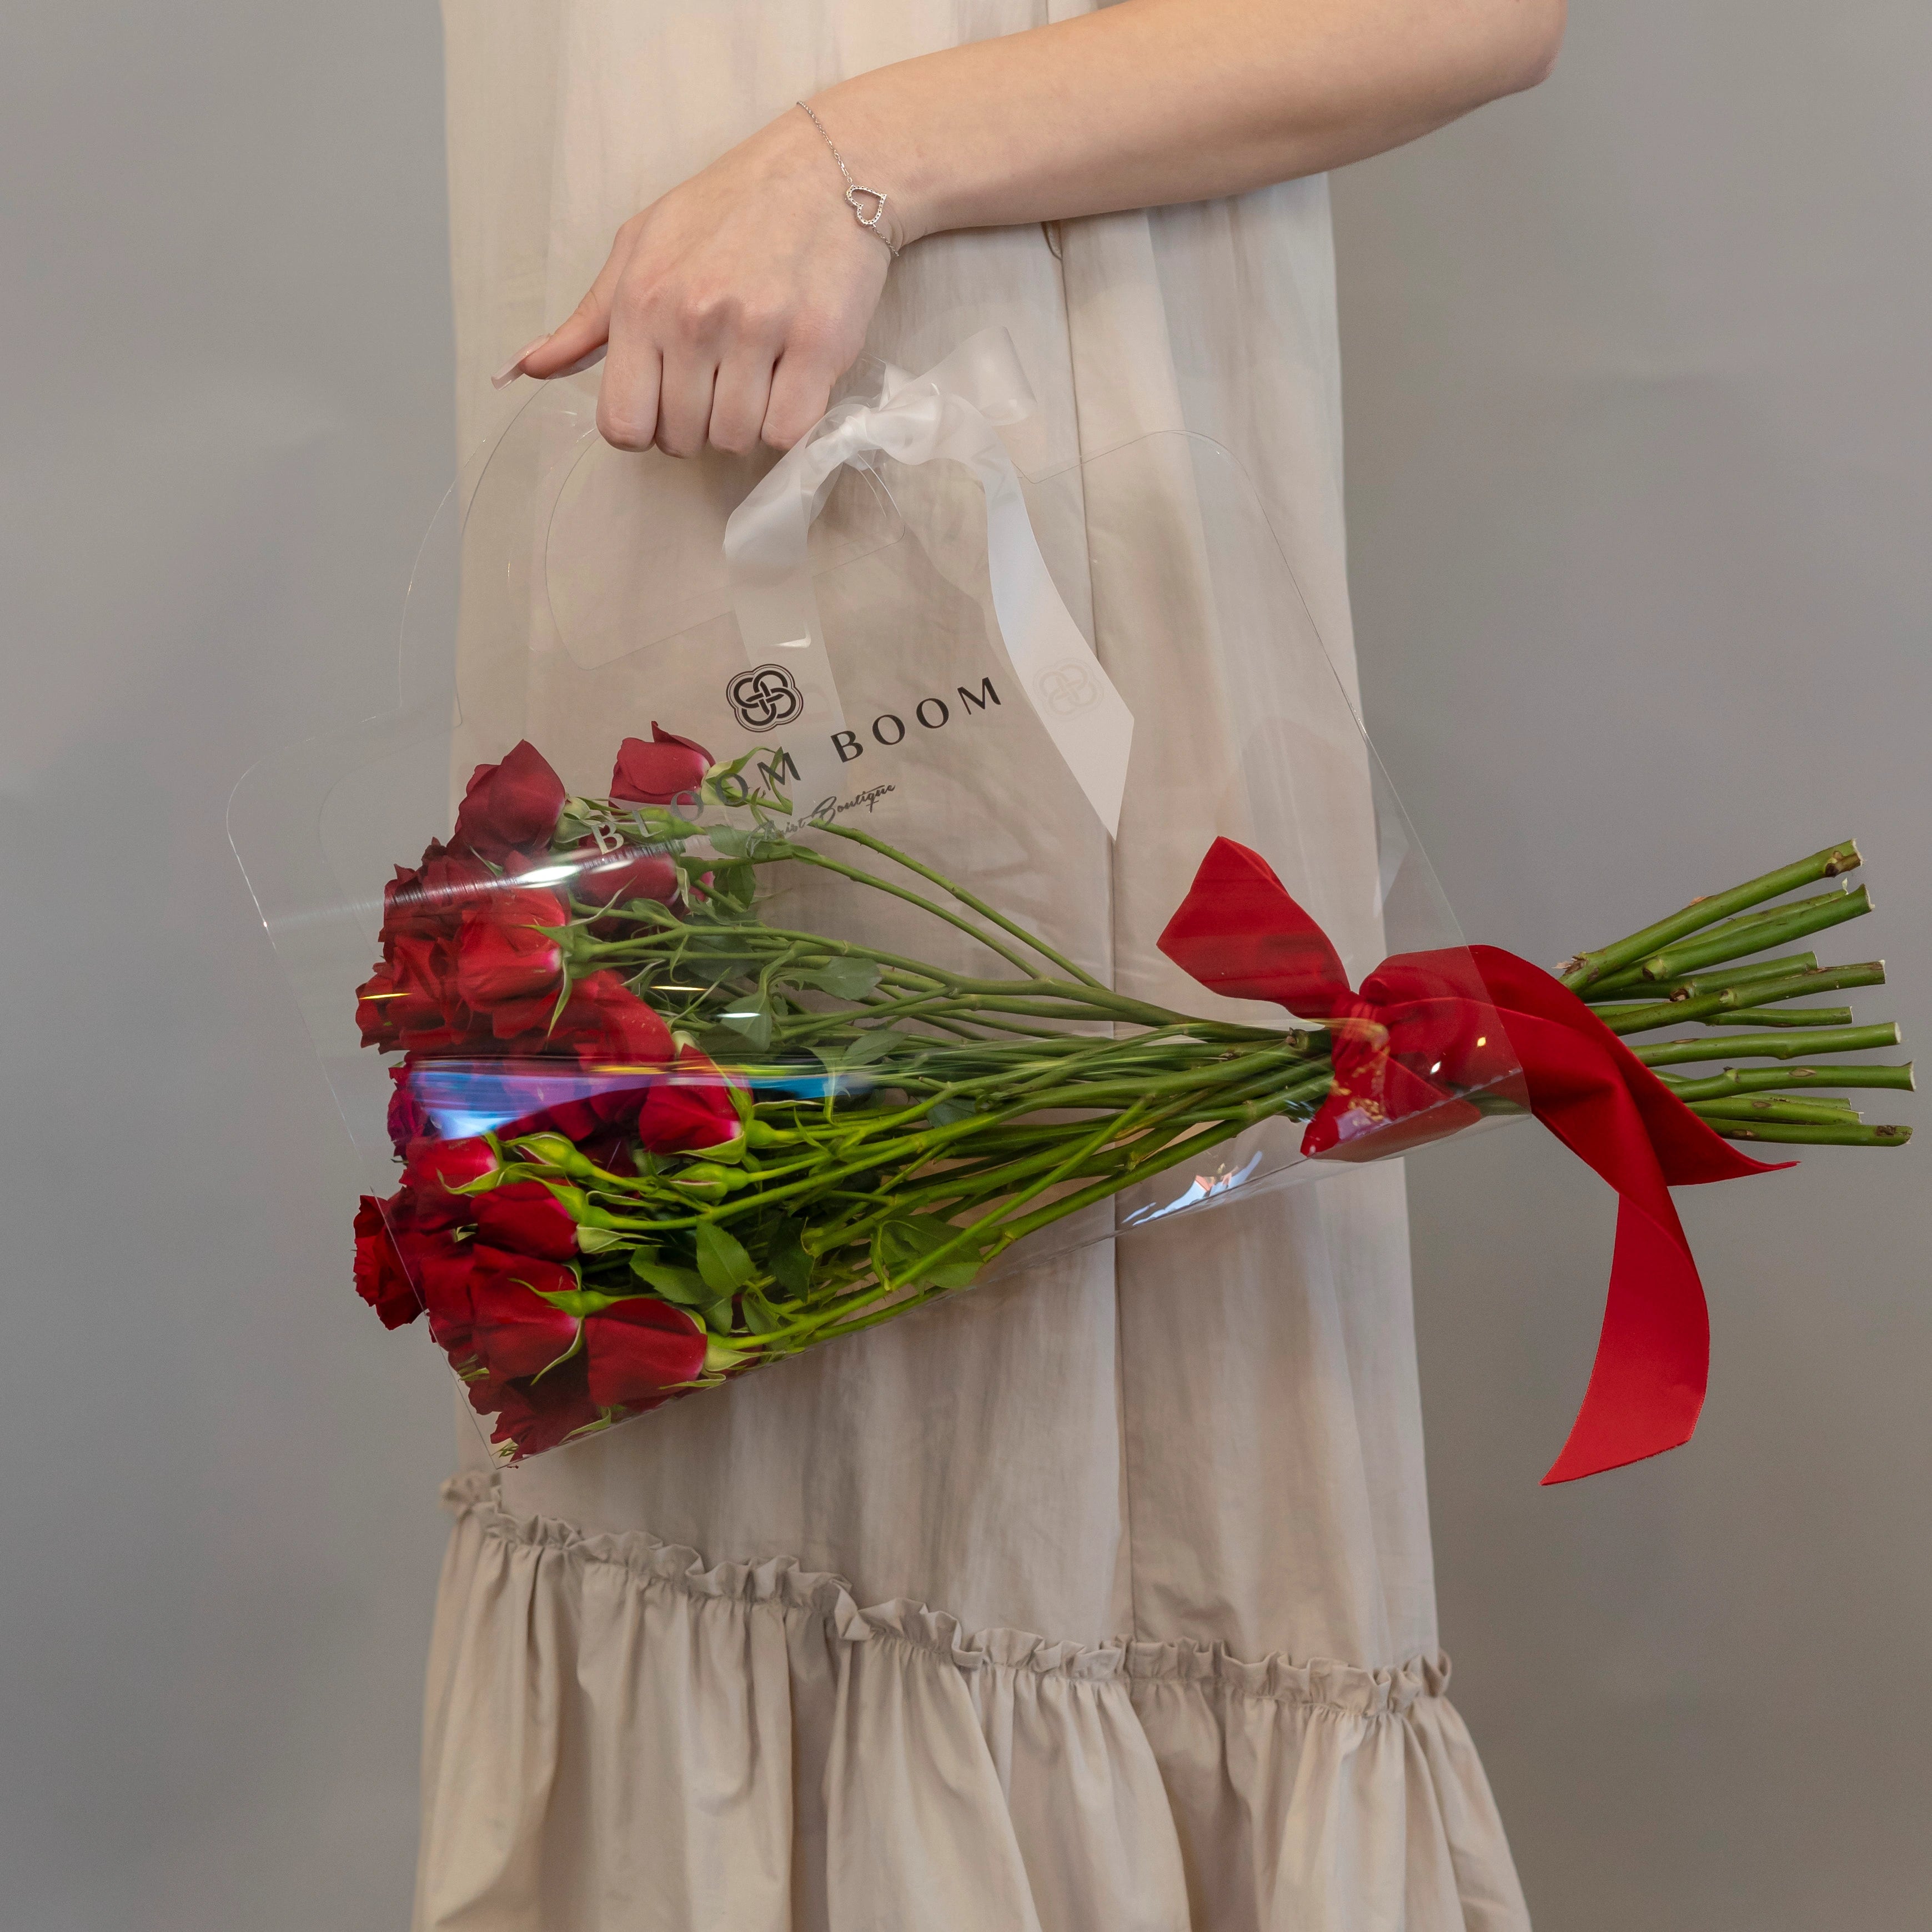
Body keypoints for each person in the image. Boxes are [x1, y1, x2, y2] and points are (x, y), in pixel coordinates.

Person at [421, 3, 1563, 1926]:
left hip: (1014, 545)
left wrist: (843, 165)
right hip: (670, 555)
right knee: (719, 1480)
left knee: (1055, 1542)